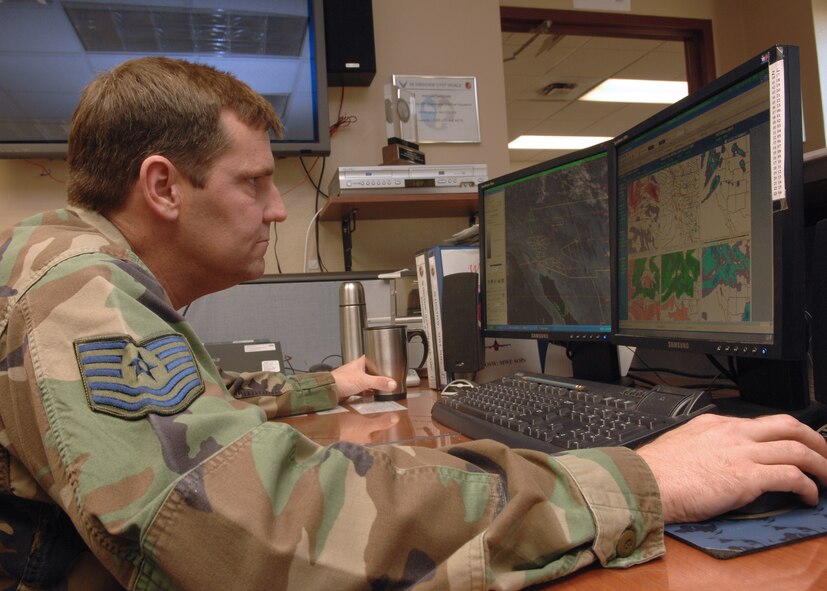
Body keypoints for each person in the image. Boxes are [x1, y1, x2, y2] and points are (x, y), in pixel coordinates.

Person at [0, 57, 825, 590]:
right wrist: (635, 481)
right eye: (252, 182)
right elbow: (262, 526)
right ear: (164, 187)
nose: (278, 208)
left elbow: (193, 407)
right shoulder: (81, 294)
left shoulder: (71, 271)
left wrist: (327, 384)